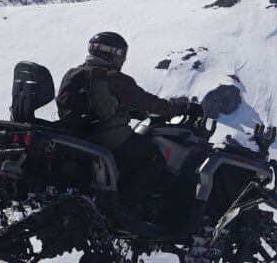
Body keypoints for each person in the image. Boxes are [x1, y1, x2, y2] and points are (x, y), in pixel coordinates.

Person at [57, 32, 201, 209]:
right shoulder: (113, 77)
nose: (123, 60)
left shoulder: (74, 73)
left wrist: (135, 112)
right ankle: (125, 207)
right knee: (154, 159)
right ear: (112, 53)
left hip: (80, 136)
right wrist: (181, 108)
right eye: (122, 55)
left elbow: (101, 103)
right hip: (110, 138)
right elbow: (148, 102)